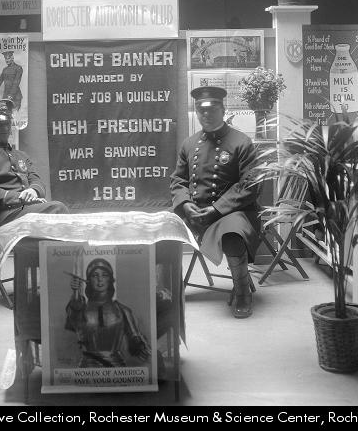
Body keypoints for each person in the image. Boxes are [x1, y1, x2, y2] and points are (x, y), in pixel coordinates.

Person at [170, 86, 260, 318]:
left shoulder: (241, 142)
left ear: (223, 109)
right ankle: (167, 289)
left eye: (211, 110)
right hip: (194, 212)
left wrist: (216, 209)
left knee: (232, 232)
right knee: (163, 228)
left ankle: (242, 293)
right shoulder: (189, 144)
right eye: (201, 110)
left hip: (232, 212)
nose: (206, 114)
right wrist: (185, 204)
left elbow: (250, 185)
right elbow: (178, 180)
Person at [0, 98, 69, 231]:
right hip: (1, 217)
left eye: (7, 123)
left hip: (26, 211)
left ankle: (44, 245)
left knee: (55, 214)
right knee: (57, 209)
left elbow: (37, 181)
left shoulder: (21, 156)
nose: (5, 128)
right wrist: (20, 198)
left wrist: (33, 191)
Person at [65, 258, 151, 368]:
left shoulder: (123, 311)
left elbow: (135, 341)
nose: (100, 279)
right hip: (88, 367)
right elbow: (75, 316)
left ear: (110, 279)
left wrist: (140, 346)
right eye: (95, 275)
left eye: (104, 275)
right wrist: (75, 294)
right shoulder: (81, 309)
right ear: (88, 280)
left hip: (116, 367)